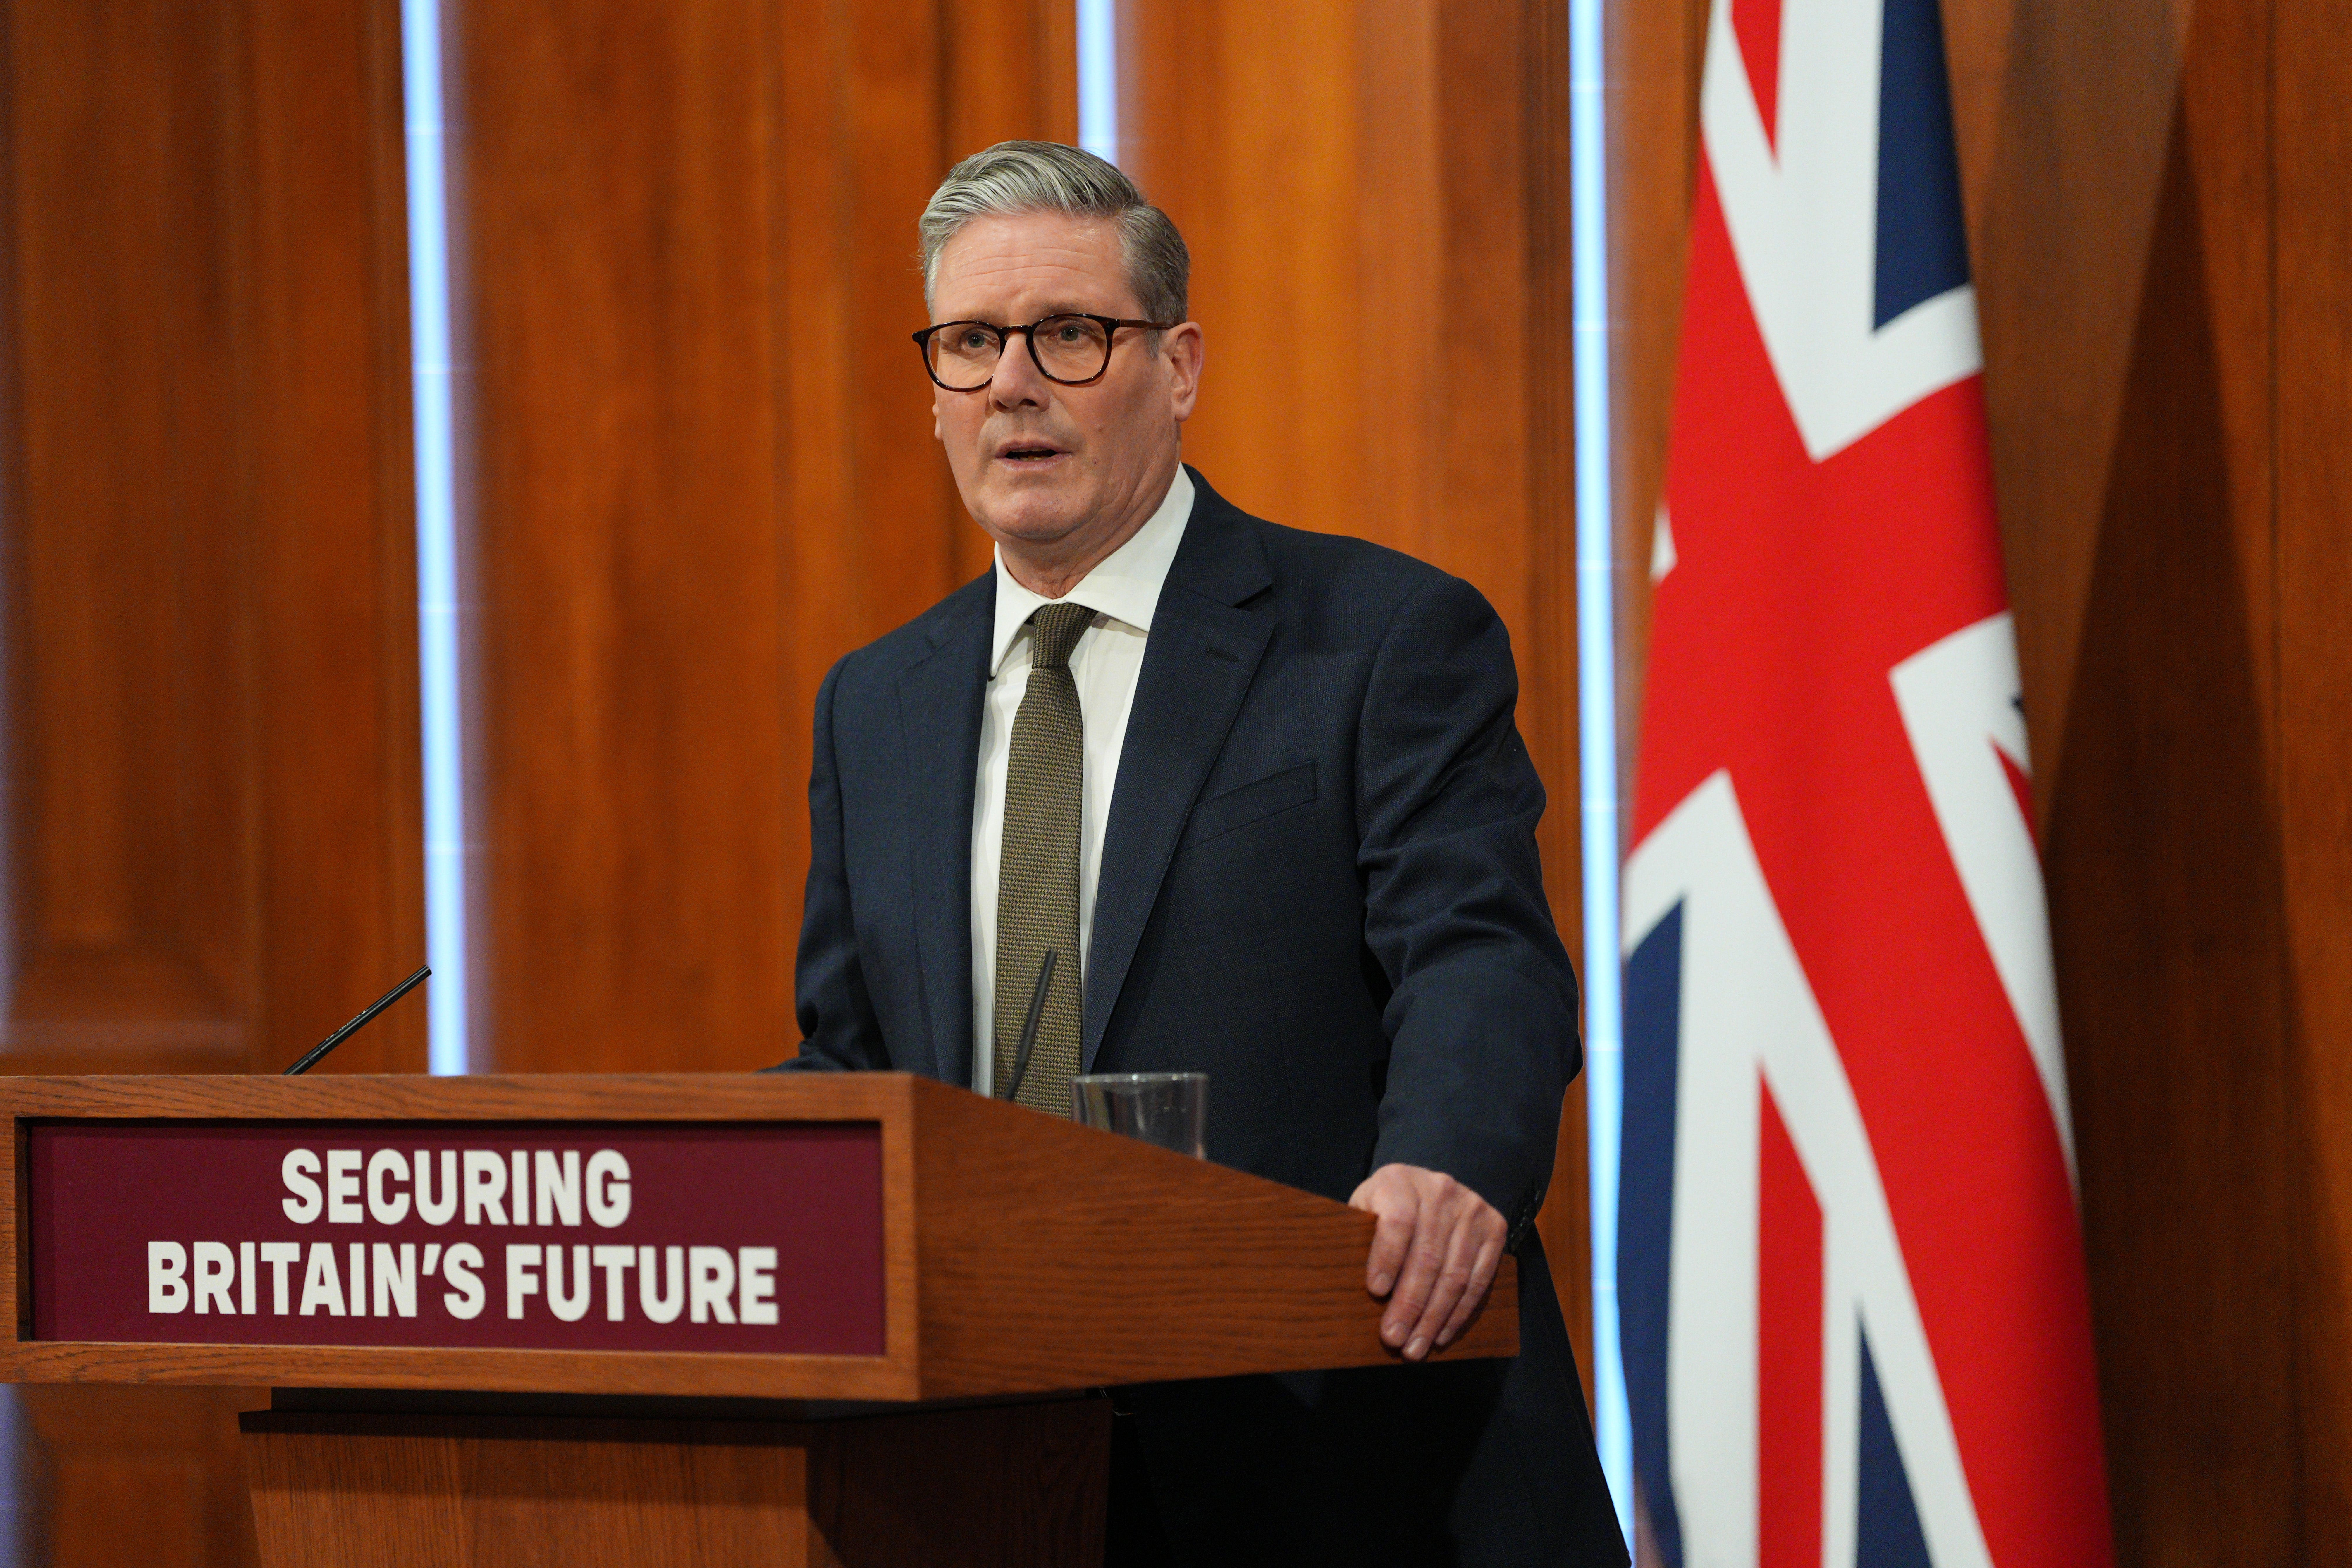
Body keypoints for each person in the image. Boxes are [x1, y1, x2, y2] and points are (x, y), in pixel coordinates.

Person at [779, 140, 1624, 1567]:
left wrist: (1446, 1160)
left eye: (1069, 334)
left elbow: (1478, 953)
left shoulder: (1376, 638)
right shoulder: (878, 705)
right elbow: (854, 1066)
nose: (1013, 383)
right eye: (972, 341)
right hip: (992, 1471)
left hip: (1348, 1455)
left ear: (1177, 366)